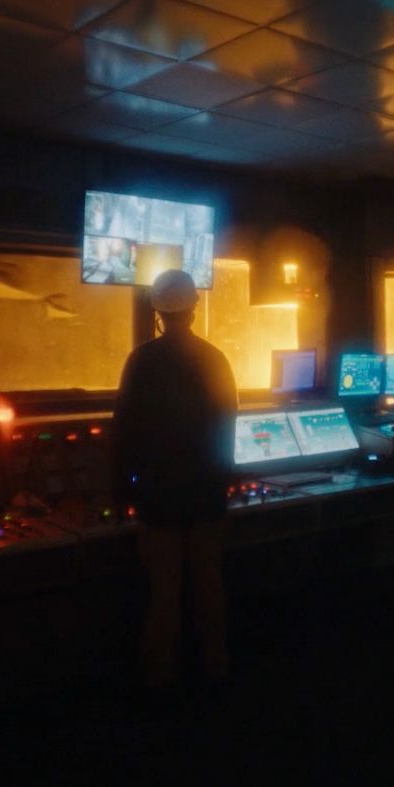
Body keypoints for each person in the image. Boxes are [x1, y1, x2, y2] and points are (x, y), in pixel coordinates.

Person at [111, 269, 238, 693]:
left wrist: (121, 493)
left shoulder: (141, 361)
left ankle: (161, 680)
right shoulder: (215, 359)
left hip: (159, 500)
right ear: (195, 308)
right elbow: (227, 427)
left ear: (156, 311)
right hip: (206, 498)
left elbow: (123, 432)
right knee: (209, 588)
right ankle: (215, 669)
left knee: (163, 597)